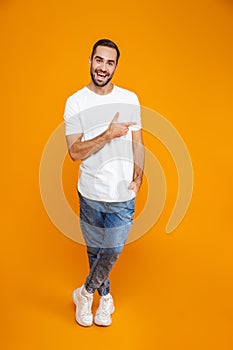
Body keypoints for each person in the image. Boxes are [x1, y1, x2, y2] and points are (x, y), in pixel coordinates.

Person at [63, 39, 144, 327]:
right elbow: (74, 152)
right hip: (90, 192)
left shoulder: (129, 98)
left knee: (113, 249)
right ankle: (105, 299)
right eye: (99, 60)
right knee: (96, 252)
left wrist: (138, 176)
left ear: (116, 66)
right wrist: (108, 135)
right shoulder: (75, 102)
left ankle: (85, 294)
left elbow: (137, 140)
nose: (103, 67)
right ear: (90, 60)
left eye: (110, 62)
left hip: (122, 192)